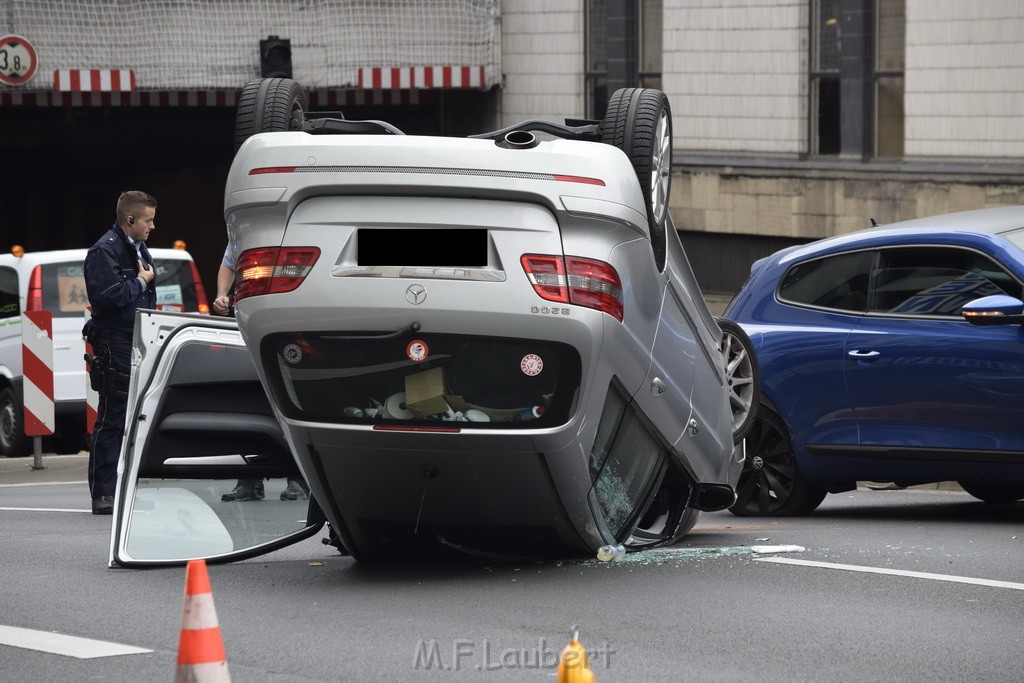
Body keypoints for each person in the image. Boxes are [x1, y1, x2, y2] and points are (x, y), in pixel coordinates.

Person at [213, 244, 310, 502]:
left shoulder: (293, 229)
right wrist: (222, 294)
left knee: (291, 402)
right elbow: (229, 264)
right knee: (249, 403)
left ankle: (300, 481)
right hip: (251, 327)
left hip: (288, 328)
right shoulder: (242, 232)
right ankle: (249, 481)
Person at [83, 191, 157, 514]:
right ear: (131, 220)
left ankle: (126, 488)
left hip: (139, 340)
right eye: (148, 220)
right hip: (115, 342)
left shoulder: (138, 249)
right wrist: (140, 282)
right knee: (113, 416)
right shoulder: (105, 251)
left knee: (137, 416)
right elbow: (108, 296)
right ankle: (103, 493)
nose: (153, 226)